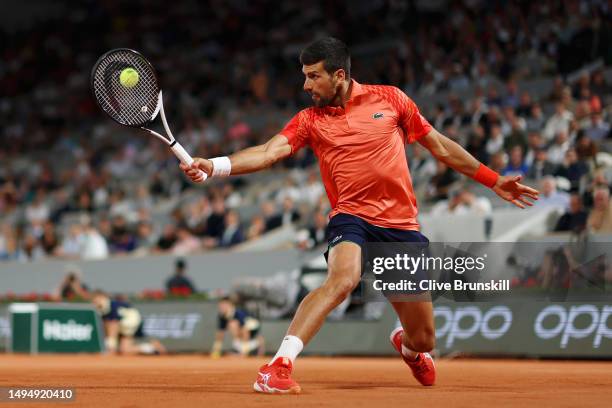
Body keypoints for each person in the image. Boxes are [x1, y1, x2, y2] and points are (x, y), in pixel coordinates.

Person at [181, 37, 538, 394]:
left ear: (339, 75)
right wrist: (214, 166)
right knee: (342, 279)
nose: (306, 85)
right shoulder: (310, 120)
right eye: (304, 76)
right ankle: (278, 366)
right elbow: (269, 152)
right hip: (351, 218)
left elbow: (440, 146)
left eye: (313, 76)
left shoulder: (392, 99)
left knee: (425, 339)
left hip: (401, 227)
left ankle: (408, 347)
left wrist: (493, 181)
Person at [91, 291, 166, 355]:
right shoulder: (102, 309)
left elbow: (113, 327)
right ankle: (152, 347)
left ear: (101, 297)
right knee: (125, 350)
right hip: (128, 323)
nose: (94, 302)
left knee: (112, 327)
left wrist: (111, 346)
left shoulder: (110, 305)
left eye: (95, 299)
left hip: (130, 322)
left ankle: (111, 350)